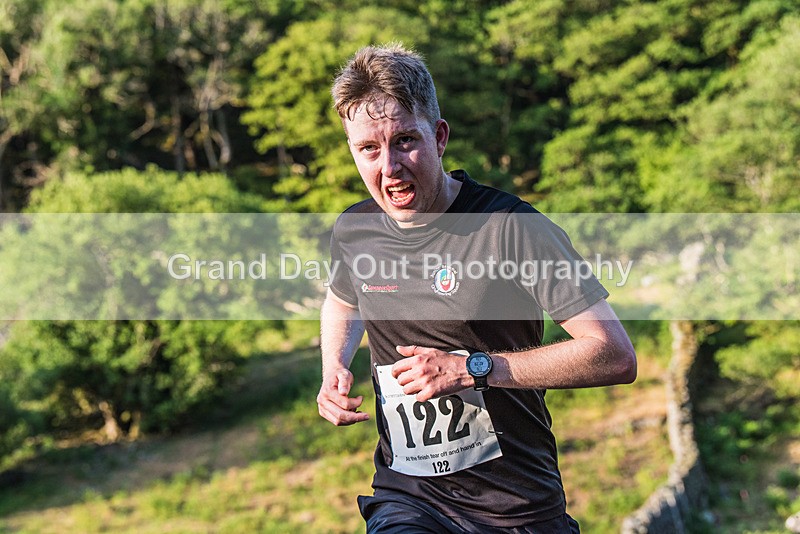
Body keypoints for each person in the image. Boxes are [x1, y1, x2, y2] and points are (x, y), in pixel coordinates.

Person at [316, 43, 637, 533]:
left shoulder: (511, 227)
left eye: (405, 140)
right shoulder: (354, 229)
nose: (389, 166)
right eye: (368, 149)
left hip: (517, 508)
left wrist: (475, 369)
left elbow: (614, 354)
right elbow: (342, 300)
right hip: (411, 497)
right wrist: (333, 366)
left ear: (440, 137)